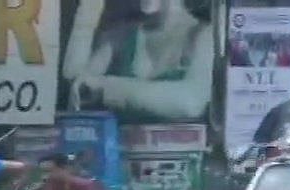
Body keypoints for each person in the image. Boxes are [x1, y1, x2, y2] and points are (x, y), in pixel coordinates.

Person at [63, 0, 212, 122]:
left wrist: (108, 87)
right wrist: (87, 13)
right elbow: (77, 84)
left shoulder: (204, 35)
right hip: (119, 156)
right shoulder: (122, 36)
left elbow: (191, 102)